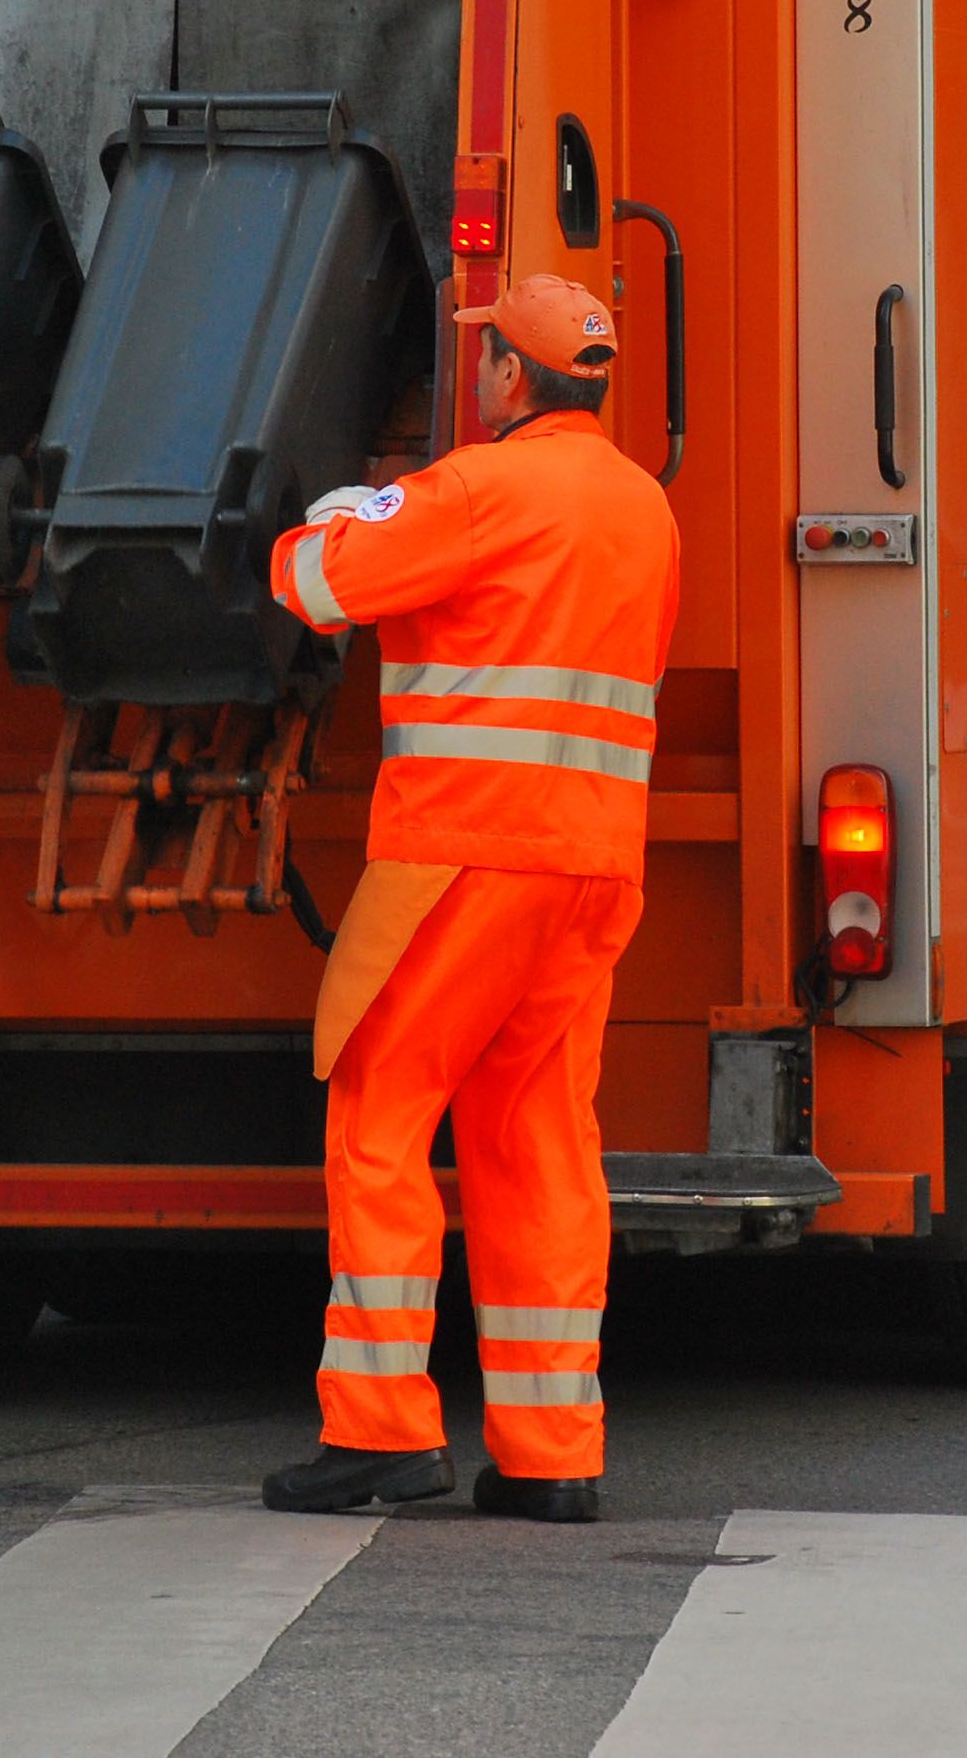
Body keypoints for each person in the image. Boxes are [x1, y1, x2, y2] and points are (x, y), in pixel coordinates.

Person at [256, 270, 682, 1527]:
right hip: (592, 866)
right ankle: (553, 1451)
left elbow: (314, 587)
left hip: (463, 860)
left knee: (381, 1114)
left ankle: (382, 1430)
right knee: (536, 1135)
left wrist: (330, 518)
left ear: (507, 377)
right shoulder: (642, 510)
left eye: (484, 357)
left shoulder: (482, 488)